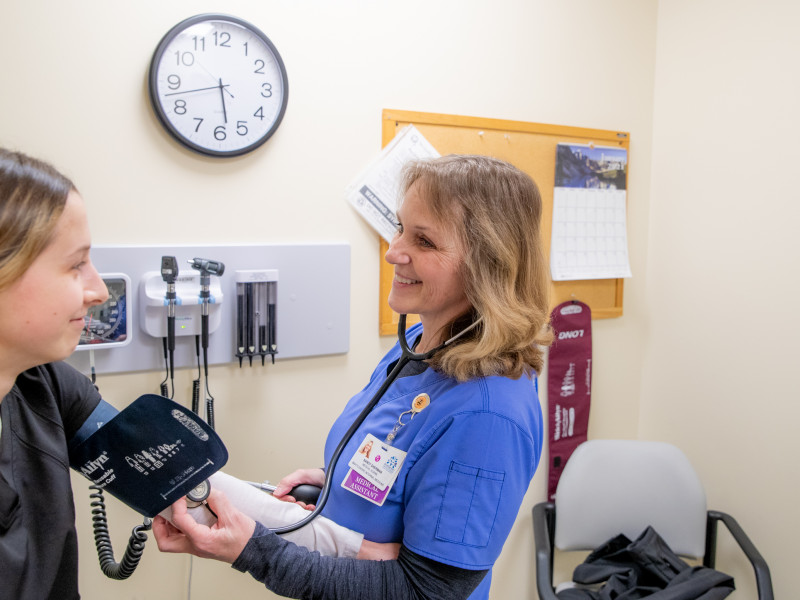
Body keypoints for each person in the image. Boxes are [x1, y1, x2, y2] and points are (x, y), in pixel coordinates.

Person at [153, 154, 554, 600]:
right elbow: (402, 462)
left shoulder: (489, 413)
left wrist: (252, 549)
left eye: (423, 241)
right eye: (401, 227)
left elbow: (426, 592)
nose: (394, 251)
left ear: (489, 263)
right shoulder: (419, 342)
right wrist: (340, 482)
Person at [0, 148, 375, 600]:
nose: (98, 290)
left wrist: (355, 551)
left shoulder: (39, 382)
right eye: (75, 264)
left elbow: (182, 480)